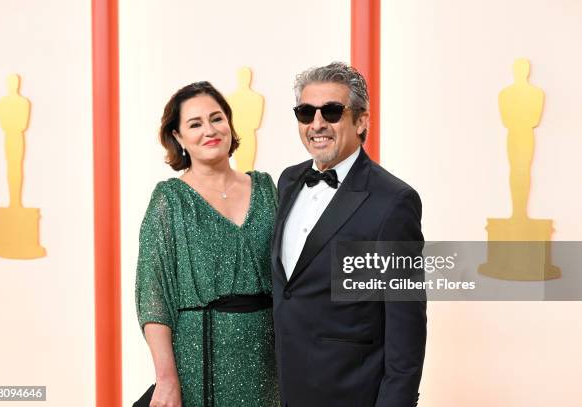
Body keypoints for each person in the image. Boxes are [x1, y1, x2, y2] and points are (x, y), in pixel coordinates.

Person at [271, 62, 426, 407]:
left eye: (332, 111)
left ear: (361, 121)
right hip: (285, 390)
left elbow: (406, 329)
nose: (317, 124)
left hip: (351, 394)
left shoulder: (394, 201)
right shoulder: (288, 181)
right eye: (306, 112)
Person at [135, 81, 279, 407]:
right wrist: (167, 379)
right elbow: (153, 296)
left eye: (217, 118)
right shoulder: (169, 200)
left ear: (229, 123)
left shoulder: (267, 188)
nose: (209, 130)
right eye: (195, 124)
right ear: (178, 137)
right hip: (200, 361)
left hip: (269, 361)